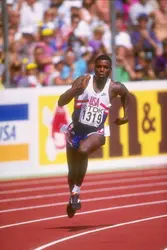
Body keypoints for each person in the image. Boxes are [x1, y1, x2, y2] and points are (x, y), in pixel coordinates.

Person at [58, 54, 130, 218]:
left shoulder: (114, 87)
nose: (102, 70)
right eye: (99, 67)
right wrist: (75, 90)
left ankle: (76, 191)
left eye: (105, 67)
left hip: (96, 132)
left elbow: (126, 95)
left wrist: (125, 115)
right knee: (72, 172)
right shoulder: (83, 81)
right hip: (75, 130)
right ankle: (73, 197)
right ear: (94, 68)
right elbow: (61, 102)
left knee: (83, 150)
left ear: (110, 70)